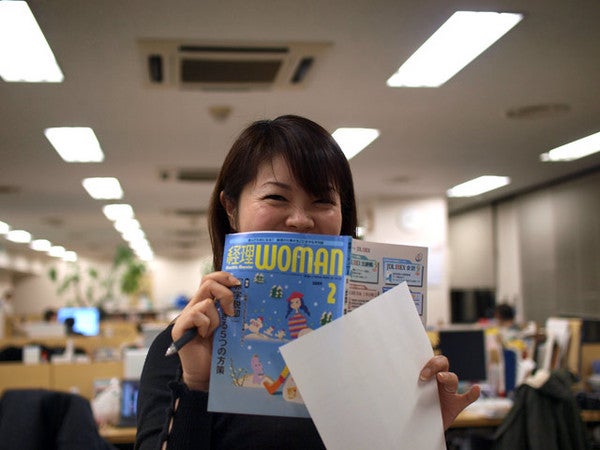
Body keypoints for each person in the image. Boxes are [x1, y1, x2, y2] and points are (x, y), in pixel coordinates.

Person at [136, 115, 480, 449]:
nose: (301, 219)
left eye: (322, 201)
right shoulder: (188, 346)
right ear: (230, 208)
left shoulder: (374, 346)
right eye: (276, 197)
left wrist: (419, 432)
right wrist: (196, 385)